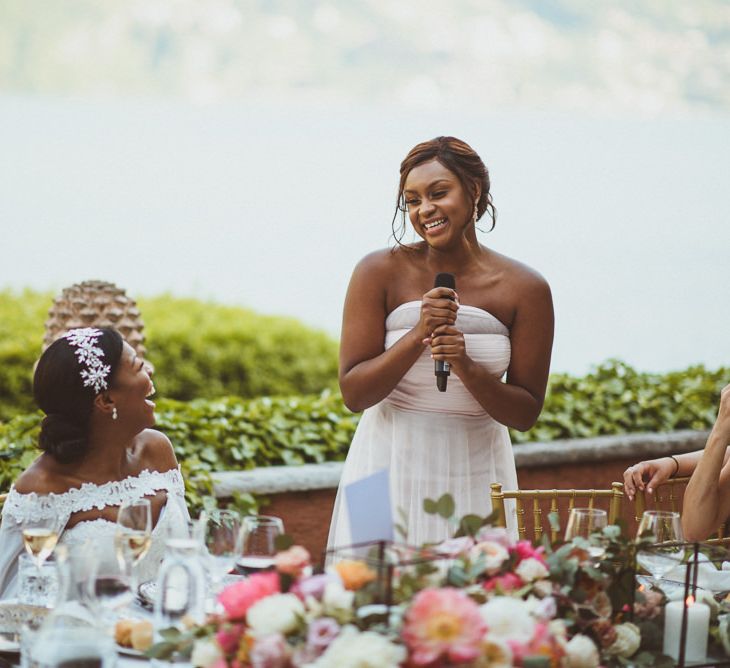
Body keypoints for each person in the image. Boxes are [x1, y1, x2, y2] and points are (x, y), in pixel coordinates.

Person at [327, 136, 554, 548]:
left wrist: (465, 364)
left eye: (438, 193)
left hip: (477, 472)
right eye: (412, 201)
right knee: (367, 597)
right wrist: (418, 335)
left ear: (474, 191)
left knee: (471, 600)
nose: (424, 210)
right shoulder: (377, 271)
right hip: (378, 465)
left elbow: (525, 413)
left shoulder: (526, 288)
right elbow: (354, 393)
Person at [0, 327, 189, 600]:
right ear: (106, 400)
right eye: (137, 366)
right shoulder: (42, 487)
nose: (150, 370)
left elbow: (187, 555)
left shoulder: (157, 451)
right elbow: (12, 600)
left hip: (170, 632)